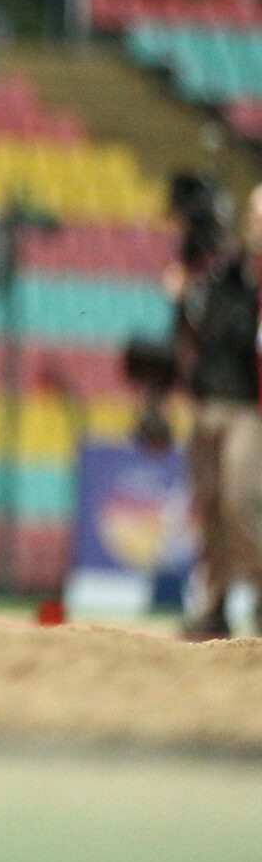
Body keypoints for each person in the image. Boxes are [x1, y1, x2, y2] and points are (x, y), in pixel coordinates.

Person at [176, 184, 262, 640]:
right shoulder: (222, 273)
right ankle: (214, 605)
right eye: (257, 217)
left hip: (249, 407)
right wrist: (181, 295)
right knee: (208, 506)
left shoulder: (254, 282)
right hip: (207, 400)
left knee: (242, 501)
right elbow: (194, 332)